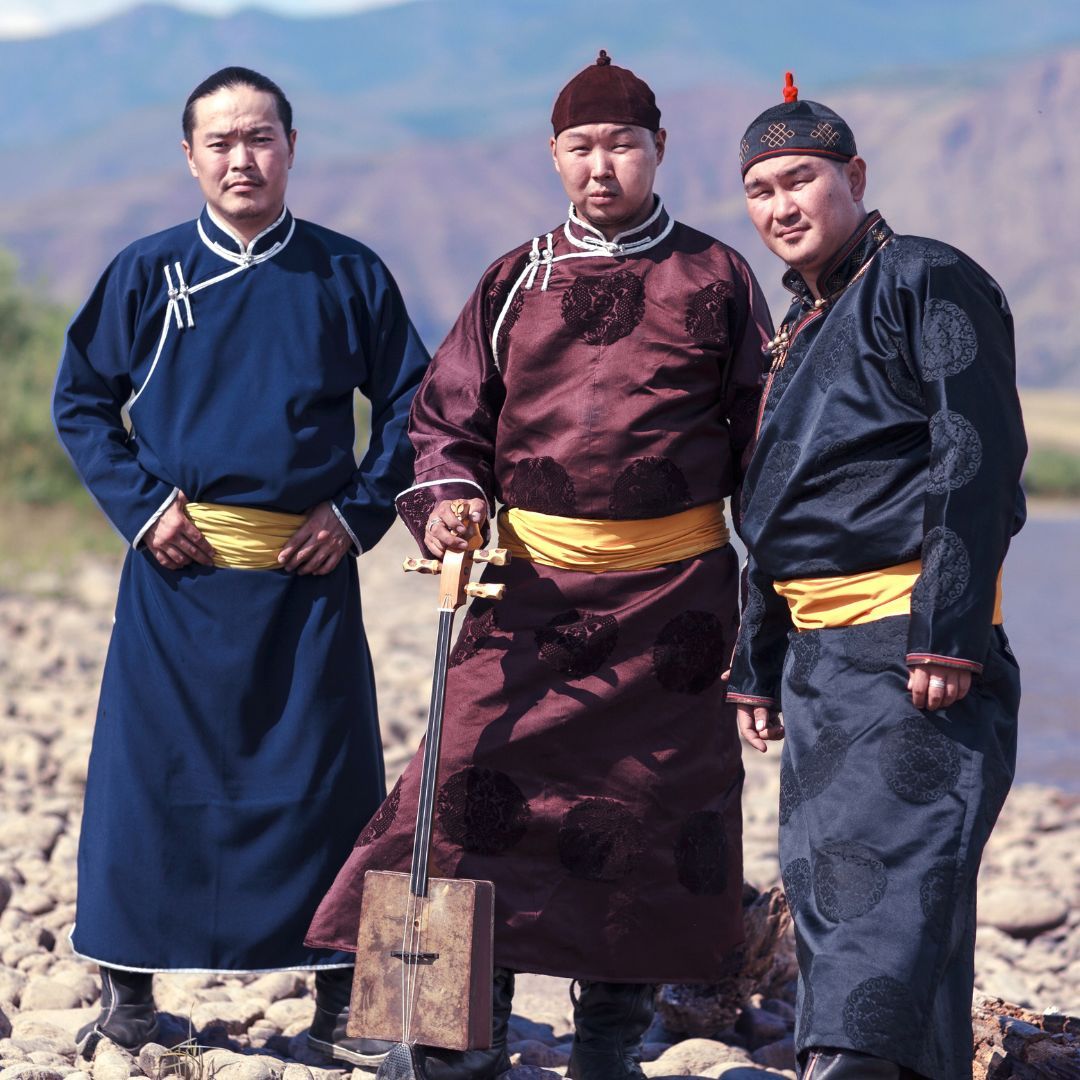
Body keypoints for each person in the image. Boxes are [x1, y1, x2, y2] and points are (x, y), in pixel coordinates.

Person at [306, 50, 773, 1080]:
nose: (602, 166)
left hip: (675, 609)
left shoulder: (718, 277)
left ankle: (609, 1045)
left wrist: (776, 620)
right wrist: (450, 498)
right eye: (581, 148)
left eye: (622, 146)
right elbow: (446, 420)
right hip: (525, 597)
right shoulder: (515, 277)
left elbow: (763, 446)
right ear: (553, 156)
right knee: (462, 789)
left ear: (660, 149)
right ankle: (450, 1037)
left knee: (654, 812)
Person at [52, 66, 429, 1064]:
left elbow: (414, 404)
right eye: (219, 142)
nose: (241, 159)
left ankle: (343, 1003)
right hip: (175, 575)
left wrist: (356, 512)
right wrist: (143, 509)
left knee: (328, 781)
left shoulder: (348, 273)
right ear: (189, 157)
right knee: (147, 780)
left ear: (292, 147)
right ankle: (129, 998)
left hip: (307, 577)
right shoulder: (146, 271)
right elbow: (81, 400)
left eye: (260, 138)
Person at [726, 73, 1026, 1080]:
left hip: (909, 649)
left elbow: (972, 453)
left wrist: (948, 631)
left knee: (883, 884)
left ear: (853, 176)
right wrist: (758, 662)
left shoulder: (923, 278)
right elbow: (777, 511)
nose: (781, 206)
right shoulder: (801, 323)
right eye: (760, 189)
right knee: (842, 885)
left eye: (800, 179)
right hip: (822, 660)